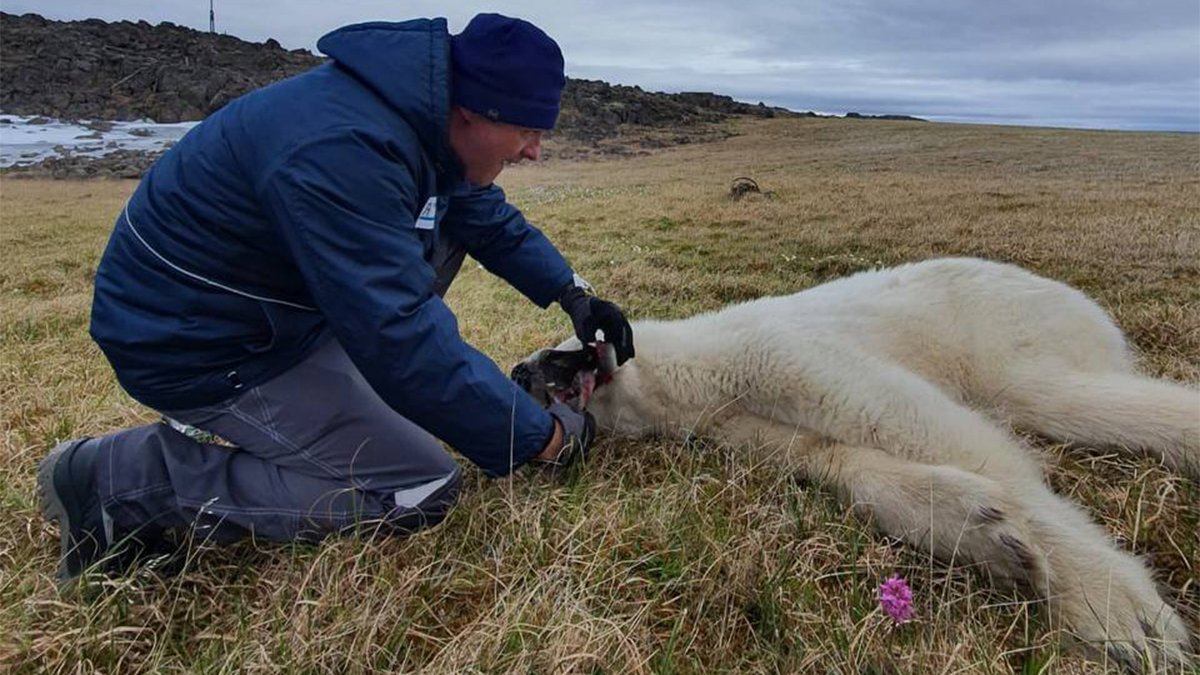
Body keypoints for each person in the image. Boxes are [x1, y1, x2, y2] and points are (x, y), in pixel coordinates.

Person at [36, 13, 635, 581]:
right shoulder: (344, 150)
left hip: (265, 315)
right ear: (473, 110)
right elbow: (398, 334)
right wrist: (542, 440)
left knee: (442, 255)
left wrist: (574, 294)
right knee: (417, 485)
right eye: (528, 129)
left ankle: (350, 396)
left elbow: (482, 218)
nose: (534, 150)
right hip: (196, 343)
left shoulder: (418, 125)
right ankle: (119, 482)